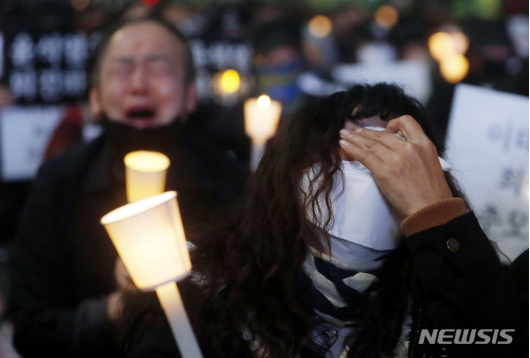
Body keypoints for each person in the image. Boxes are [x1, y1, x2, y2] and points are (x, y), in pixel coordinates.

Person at [123, 83, 527, 358]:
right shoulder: (199, 297)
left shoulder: (461, 294)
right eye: (346, 143)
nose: (368, 161)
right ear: (291, 169)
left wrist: (440, 223)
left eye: (394, 152)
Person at [9, 16, 248, 358]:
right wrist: (122, 305)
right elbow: (31, 328)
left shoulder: (231, 179)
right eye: (122, 69)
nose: (139, 84)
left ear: (190, 96)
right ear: (95, 98)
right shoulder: (60, 182)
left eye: (158, 68)